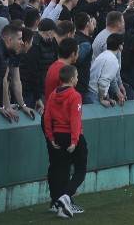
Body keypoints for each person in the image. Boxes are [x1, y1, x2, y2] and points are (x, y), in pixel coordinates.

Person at [43, 64, 87, 219]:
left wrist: (51, 137)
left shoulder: (53, 95)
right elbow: (75, 119)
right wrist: (75, 141)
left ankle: (59, 202)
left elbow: (47, 117)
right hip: (72, 136)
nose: (78, 79)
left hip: (58, 136)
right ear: (72, 79)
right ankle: (65, 197)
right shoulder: (75, 96)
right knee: (80, 169)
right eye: (77, 76)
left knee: (61, 169)